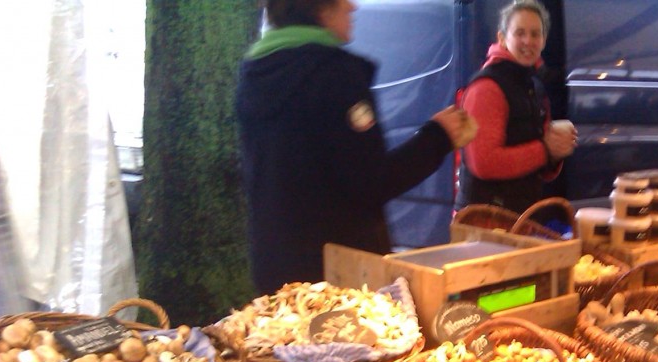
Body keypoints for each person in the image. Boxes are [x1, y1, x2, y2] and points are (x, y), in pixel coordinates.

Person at [236, 0, 475, 294]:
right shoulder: (334, 74)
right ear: (319, 8)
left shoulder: (254, 74)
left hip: (276, 271)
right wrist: (438, 136)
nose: (352, 7)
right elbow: (371, 181)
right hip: (339, 278)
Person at [456, 0, 577, 214]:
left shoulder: (534, 86)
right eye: (519, 33)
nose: (528, 41)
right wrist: (545, 149)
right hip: (482, 222)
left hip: (519, 214)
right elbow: (484, 163)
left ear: (544, 40)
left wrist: (555, 152)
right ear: (502, 38)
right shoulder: (487, 88)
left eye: (535, 34)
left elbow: (539, 164)